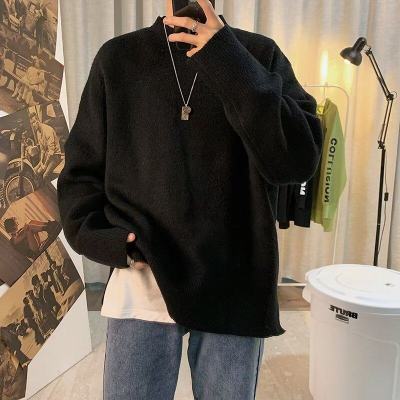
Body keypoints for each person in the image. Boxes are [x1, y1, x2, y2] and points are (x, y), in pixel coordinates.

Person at [57, 0, 323, 398]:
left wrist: (227, 57)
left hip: (235, 280)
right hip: (144, 275)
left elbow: (297, 161)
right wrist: (107, 239)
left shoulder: (257, 54)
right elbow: (81, 171)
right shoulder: (119, 59)